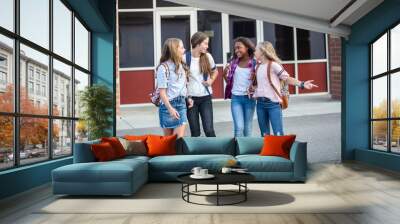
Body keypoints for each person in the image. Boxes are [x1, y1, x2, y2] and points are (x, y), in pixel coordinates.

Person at [253, 41, 318, 136]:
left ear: (262, 52)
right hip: (260, 104)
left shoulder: (273, 65)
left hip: (273, 104)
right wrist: (253, 89)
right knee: (264, 134)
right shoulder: (257, 67)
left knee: (278, 133)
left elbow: (287, 78)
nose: (254, 52)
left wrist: (302, 84)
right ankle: (269, 151)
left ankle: (279, 151)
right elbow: (260, 84)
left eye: (256, 50)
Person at [156, 38, 193, 138]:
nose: (184, 49)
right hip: (167, 106)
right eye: (181, 47)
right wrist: (170, 109)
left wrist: (188, 97)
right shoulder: (163, 68)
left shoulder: (182, 65)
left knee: (178, 140)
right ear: (174, 50)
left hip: (181, 104)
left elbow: (184, 85)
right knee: (169, 142)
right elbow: (162, 92)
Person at [184, 32, 219, 137]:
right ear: (197, 43)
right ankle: (197, 152)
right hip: (190, 99)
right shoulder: (185, 58)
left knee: (209, 130)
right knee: (195, 132)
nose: (207, 46)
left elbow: (215, 71)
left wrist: (211, 81)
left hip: (205, 98)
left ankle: (215, 152)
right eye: (205, 43)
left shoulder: (207, 56)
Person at [223, 37, 257, 137]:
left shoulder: (254, 63)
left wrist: (254, 87)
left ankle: (246, 150)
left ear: (247, 48)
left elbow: (258, 83)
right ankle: (237, 150)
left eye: (239, 47)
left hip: (249, 99)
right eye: (235, 48)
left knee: (247, 128)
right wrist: (225, 75)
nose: (236, 50)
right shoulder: (234, 63)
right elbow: (229, 82)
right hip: (236, 98)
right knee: (239, 127)